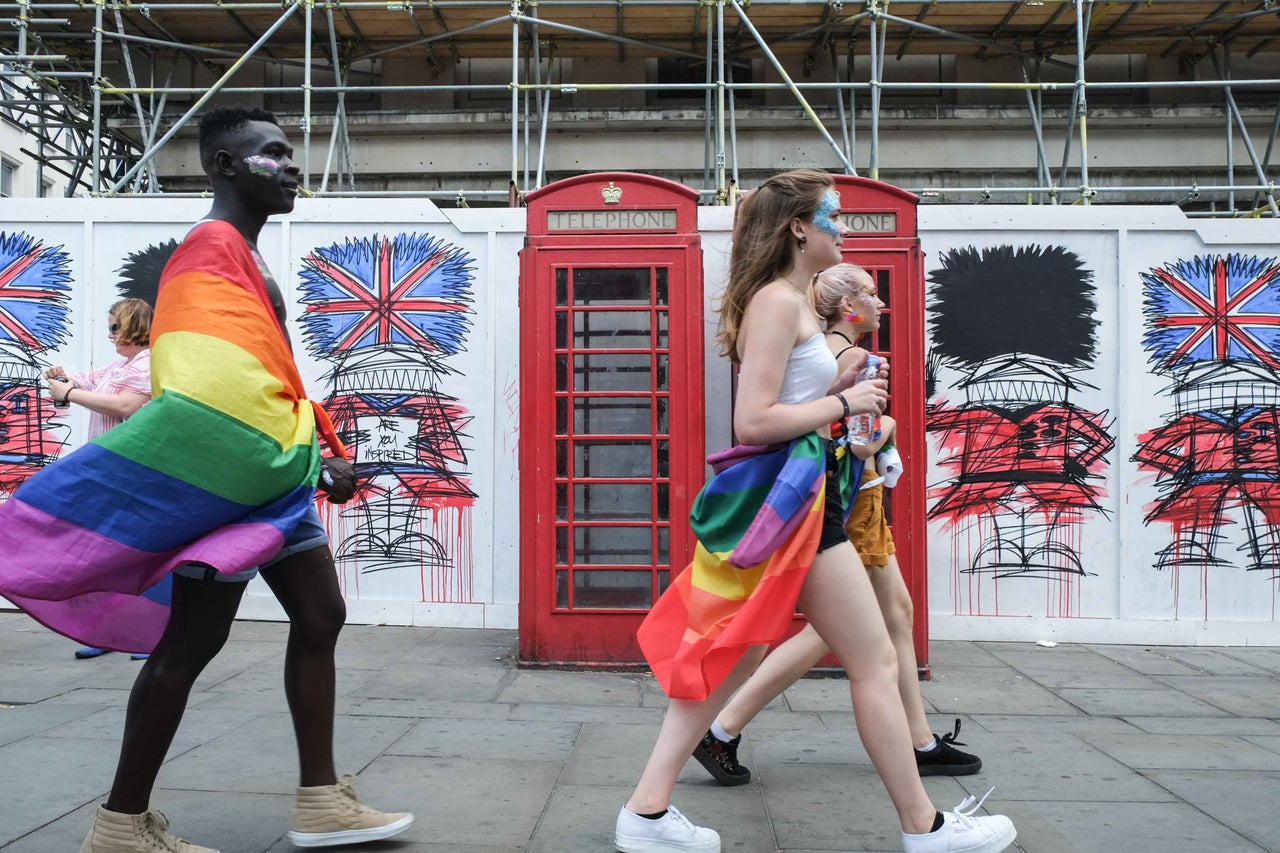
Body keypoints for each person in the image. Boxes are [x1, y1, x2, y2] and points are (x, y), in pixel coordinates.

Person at [0, 106, 413, 852]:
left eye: (291, 153)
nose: (292, 166)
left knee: (320, 614)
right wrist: (312, 458)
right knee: (191, 643)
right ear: (224, 165)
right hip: (230, 489)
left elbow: (265, 383)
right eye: (274, 153)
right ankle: (120, 824)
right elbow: (211, 395)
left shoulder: (243, 258)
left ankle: (320, 797)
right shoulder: (208, 250)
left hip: (271, 485)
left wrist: (318, 451)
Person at [613, 171, 1015, 853]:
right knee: (870, 658)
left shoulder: (788, 301)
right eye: (830, 214)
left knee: (739, 659)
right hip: (794, 507)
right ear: (798, 228)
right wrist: (845, 403)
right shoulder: (777, 301)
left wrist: (838, 383)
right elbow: (753, 418)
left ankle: (647, 811)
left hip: (802, 503)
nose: (842, 224)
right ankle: (924, 825)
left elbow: (789, 401)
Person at [691, 263, 982, 790]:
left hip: (847, 493)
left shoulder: (830, 350)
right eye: (872, 294)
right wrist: (886, 419)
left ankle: (917, 740)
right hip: (855, 498)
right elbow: (859, 440)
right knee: (855, 628)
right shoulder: (853, 357)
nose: (881, 304)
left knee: (891, 616)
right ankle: (723, 727)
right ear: (849, 306)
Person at [45, 298, 162, 661]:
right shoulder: (123, 366)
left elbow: (126, 405)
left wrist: (68, 393)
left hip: (132, 472)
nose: (110, 335)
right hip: (112, 471)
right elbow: (90, 382)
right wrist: (63, 379)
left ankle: (150, 634)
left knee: (137, 556)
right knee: (110, 556)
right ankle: (115, 631)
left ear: (132, 326)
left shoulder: (146, 363)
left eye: (114, 327)